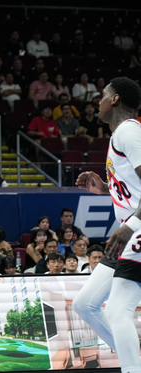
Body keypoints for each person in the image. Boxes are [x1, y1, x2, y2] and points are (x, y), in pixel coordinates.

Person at [73, 78, 141, 372]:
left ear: (114, 100)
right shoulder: (120, 136)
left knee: (116, 310)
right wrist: (105, 188)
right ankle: (133, 360)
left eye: (103, 95)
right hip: (128, 233)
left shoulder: (128, 130)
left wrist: (132, 224)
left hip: (135, 229)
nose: (98, 101)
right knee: (84, 304)